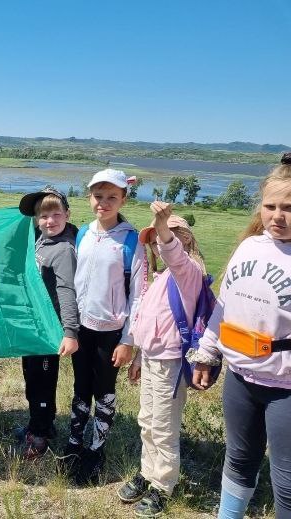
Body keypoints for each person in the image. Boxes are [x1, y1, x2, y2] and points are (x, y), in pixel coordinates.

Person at [191, 157, 291, 518]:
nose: (278, 216)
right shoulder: (249, 247)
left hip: (286, 387)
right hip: (241, 377)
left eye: (289, 208)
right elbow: (224, 306)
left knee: (287, 477)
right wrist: (206, 353)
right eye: (270, 206)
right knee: (238, 458)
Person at [118, 203, 206, 517]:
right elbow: (147, 322)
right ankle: (148, 471)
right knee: (147, 421)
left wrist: (162, 224)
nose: (158, 241)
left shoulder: (189, 273)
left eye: (165, 235)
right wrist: (139, 356)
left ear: (185, 238)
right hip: (153, 358)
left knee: (164, 426)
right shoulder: (161, 278)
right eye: (153, 237)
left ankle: (163, 485)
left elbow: (174, 254)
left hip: (171, 362)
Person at [64, 168, 146, 485]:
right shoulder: (83, 234)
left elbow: (138, 295)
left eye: (112, 197)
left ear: (123, 198)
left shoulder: (131, 240)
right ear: (90, 198)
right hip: (81, 328)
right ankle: (74, 444)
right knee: (81, 386)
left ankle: (97, 451)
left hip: (110, 331)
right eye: (98, 196)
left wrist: (128, 340)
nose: (104, 203)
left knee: (104, 390)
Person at [15, 187, 79, 460]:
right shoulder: (41, 241)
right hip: (35, 325)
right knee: (31, 377)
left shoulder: (64, 249)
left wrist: (69, 331)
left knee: (42, 381)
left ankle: (39, 437)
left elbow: (67, 291)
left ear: (67, 214)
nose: (50, 221)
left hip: (50, 329)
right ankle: (39, 424)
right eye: (43, 216)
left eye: (56, 214)